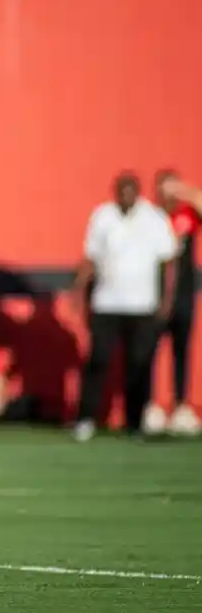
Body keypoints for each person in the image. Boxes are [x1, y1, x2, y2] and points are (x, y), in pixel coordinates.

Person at [72, 172, 176, 442]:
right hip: (107, 303)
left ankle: (135, 423)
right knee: (98, 360)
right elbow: (91, 258)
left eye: (130, 191)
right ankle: (85, 419)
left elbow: (169, 263)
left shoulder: (155, 219)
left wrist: (166, 301)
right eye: (121, 191)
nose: (125, 196)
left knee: (139, 365)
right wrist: (79, 292)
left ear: (138, 192)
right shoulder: (103, 216)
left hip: (143, 306)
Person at [151, 170, 200, 435]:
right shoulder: (151, 219)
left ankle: (181, 406)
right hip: (154, 296)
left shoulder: (187, 215)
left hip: (184, 294)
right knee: (149, 351)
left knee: (182, 351)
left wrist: (185, 192)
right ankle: (151, 407)